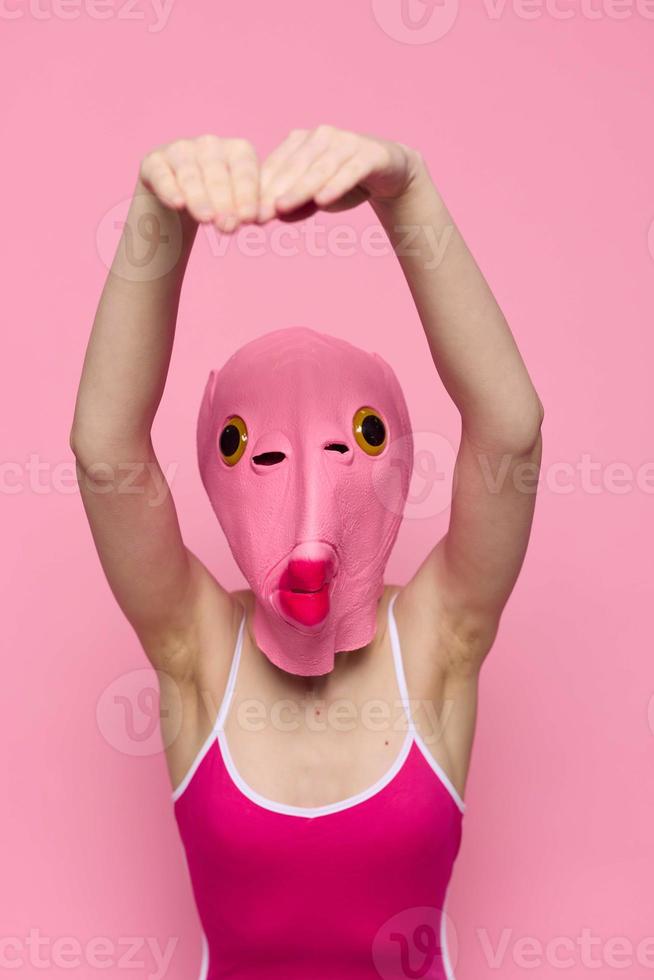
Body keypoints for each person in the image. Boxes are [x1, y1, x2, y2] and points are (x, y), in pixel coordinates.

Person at [70, 126, 543, 980]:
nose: (309, 497)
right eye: (263, 453)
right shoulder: (197, 651)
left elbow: (510, 437)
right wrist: (158, 223)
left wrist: (409, 199)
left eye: (352, 443)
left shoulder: (437, 640)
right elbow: (106, 457)